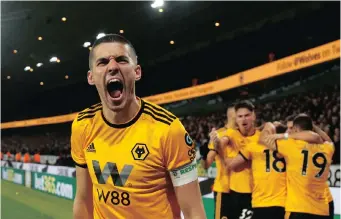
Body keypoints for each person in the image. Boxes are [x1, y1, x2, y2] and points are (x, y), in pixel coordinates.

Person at [71, 34, 206, 219]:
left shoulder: (168, 129)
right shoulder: (82, 125)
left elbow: (193, 212)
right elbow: (83, 199)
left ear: (137, 72)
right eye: (102, 62)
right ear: (91, 77)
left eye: (121, 60)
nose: (112, 67)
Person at [226, 121, 323, 219]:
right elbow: (316, 138)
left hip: (262, 203)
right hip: (283, 204)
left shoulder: (254, 146)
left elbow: (232, 165)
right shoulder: (288, 145)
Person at [259, 114, 334, 219]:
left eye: (292, 129)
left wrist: (269, 126)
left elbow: (263, 139)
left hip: (298, 209)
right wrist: (314, 128)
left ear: (295, 129)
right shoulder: (327, 149)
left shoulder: (291, 146)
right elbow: (328, 141)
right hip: (321, 210)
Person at [211, 100, 260, 219]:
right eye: (240, 116)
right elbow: (222, 142)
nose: (243, 119)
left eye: (247, 115)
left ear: (253, 116)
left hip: (256, 194)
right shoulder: (231, 134)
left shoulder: (261, 137)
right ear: (236, 119)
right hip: (235, 193)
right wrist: (217, 142)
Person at [201, 106, 236, 219]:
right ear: (232, 116)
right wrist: (203, 155)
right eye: (239, 115)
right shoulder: (219, 135)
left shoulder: (244, 134)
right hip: (224, 189)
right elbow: (206, 165)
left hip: (243, 190)